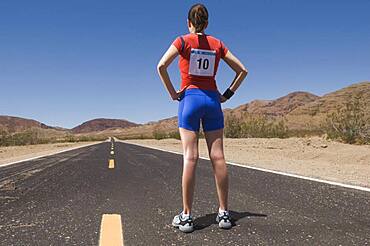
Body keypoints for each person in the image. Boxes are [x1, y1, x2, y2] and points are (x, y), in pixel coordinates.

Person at [157, 3, 248, 233]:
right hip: (212, 102)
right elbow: (242, 70)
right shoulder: (217, 44)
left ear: (189, 23)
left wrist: (173, 93)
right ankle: (224, 213)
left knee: (190, 157)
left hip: (189, 100)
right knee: (218, 157)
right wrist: (226, 95)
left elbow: (161, 66)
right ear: (206, 24)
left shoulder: (182, 41)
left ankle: (186, 217)